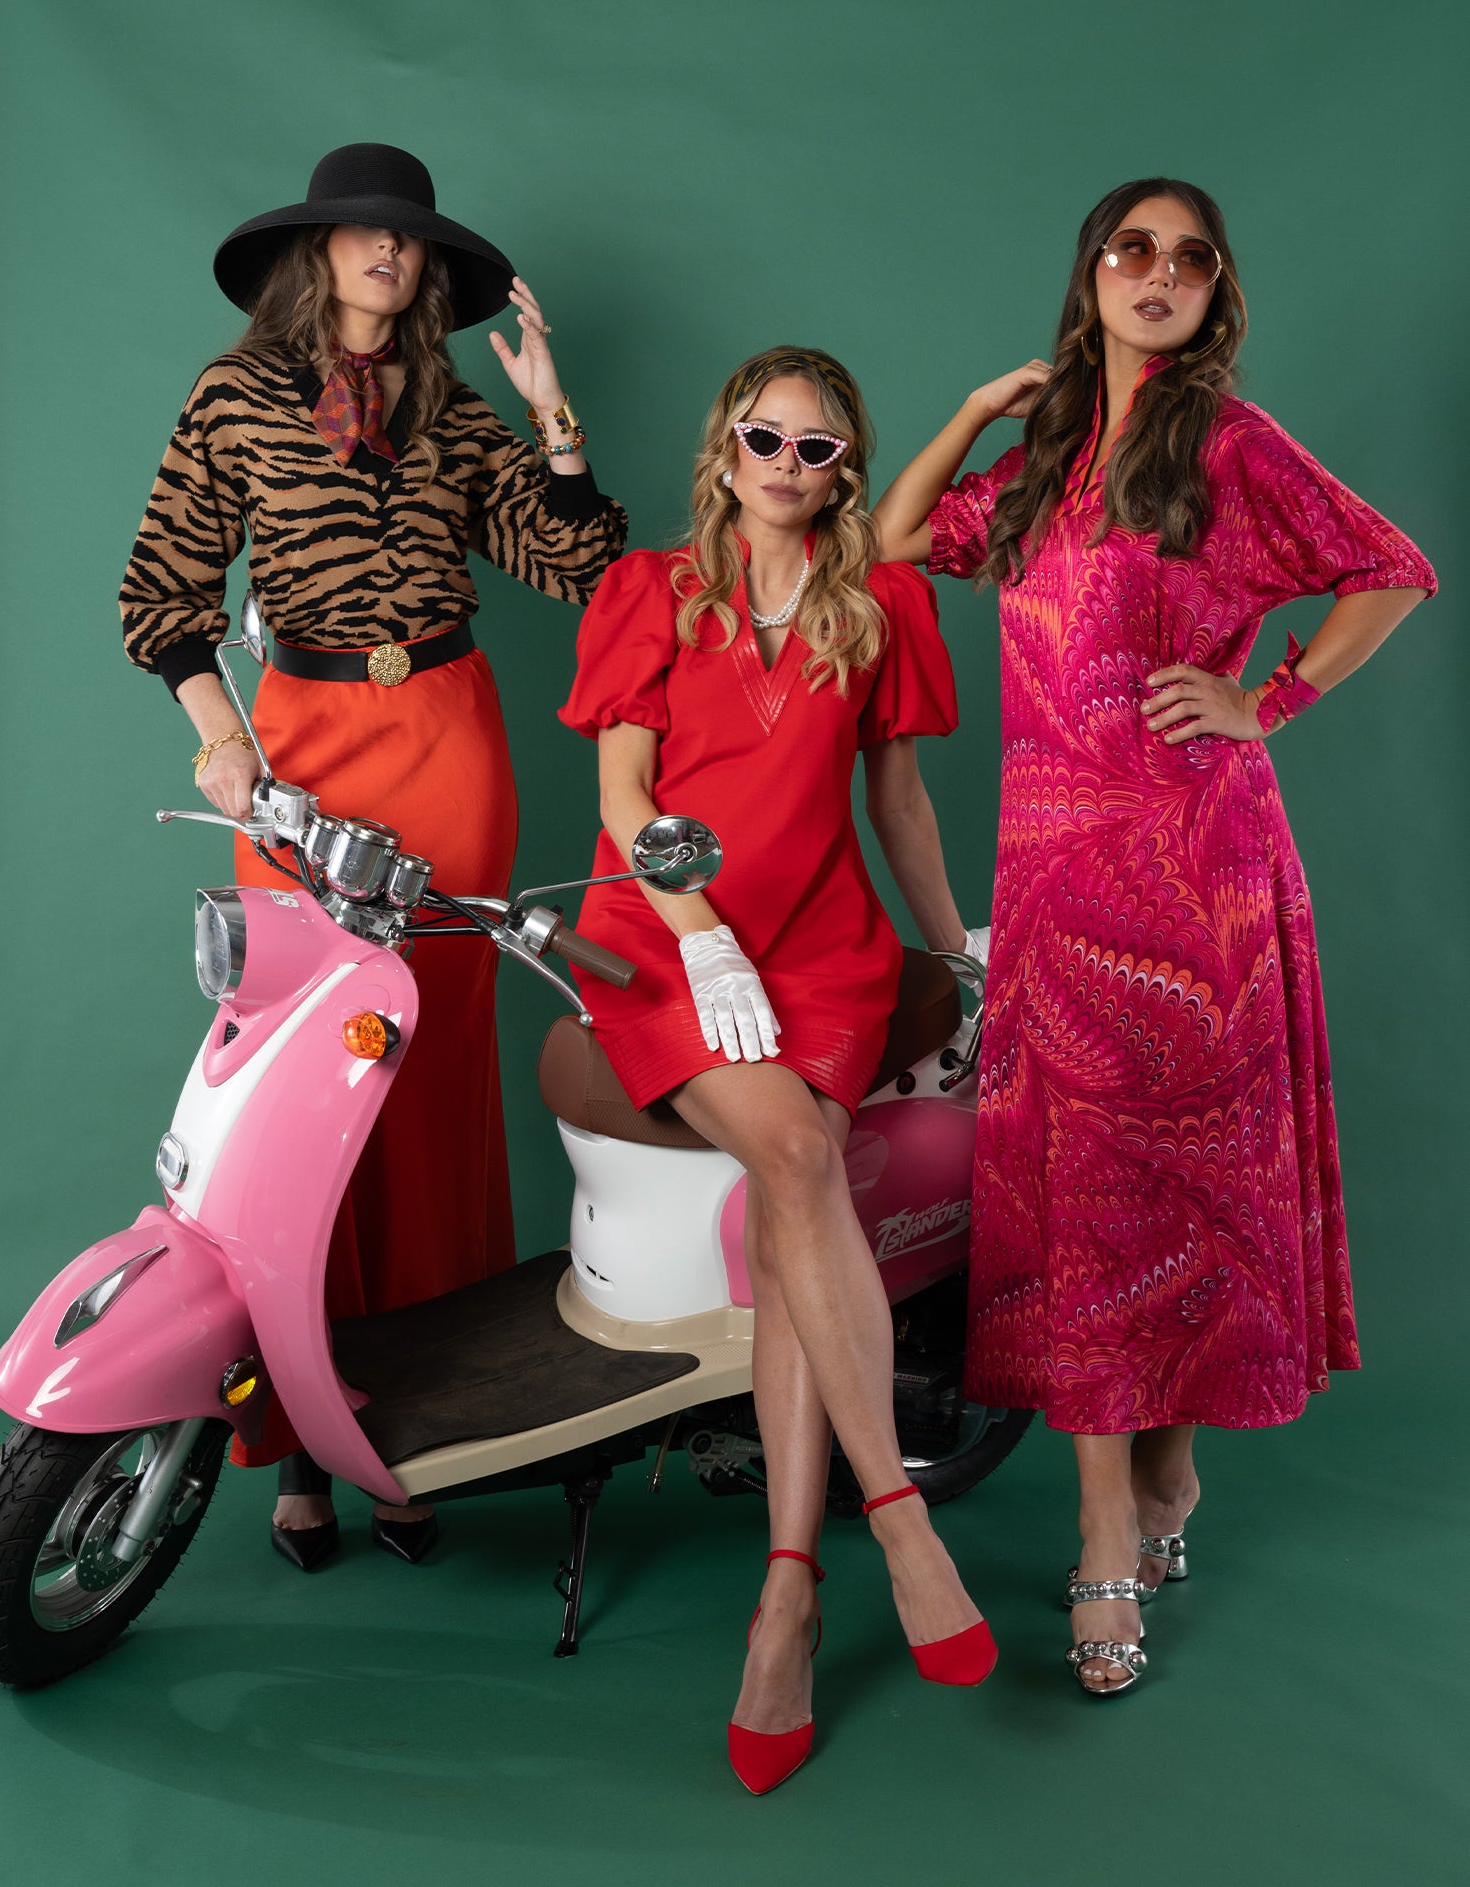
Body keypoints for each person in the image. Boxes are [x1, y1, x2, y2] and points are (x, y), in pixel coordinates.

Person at [874, 178, 1436, 1694]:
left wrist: (1271, 697)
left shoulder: (1231, 445)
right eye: (1134, 250)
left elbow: (1394, 569)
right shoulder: (1045, 460)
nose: (1161, 274)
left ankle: (1140, 1495)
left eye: (1192, 258)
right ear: (1093, 278)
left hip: (1200, 865)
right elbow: (900, 533)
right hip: (1054, 878)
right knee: (1087, 1204)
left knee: (1179, 1193)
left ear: (1214, 291)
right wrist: (979, 407)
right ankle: (1125, 1504)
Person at [119, 144, 627, 1569]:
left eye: (411, 240)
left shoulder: (452, 406)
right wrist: (222, 741)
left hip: (451, 739)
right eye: (364, 232)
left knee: (434, 1072)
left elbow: (579, 565)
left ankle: (421, 1427)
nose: (389, 254)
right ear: (319, 250)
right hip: (304, 744)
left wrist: (555, 418)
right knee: (308, 1081)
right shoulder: (234, 397)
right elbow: (163, 592)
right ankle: (298, 1437)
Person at [559, 346, 992, 1796]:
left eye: (818, 447)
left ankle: (788, 1593)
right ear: (725, 446)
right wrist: (701, 939)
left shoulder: (885, 606)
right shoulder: (650, 590)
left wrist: (959, 951)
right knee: (803, 1160)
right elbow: (624, 795)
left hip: (823, 950)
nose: (788, 466)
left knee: (798, 1215)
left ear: (846, 467)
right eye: (766, 437)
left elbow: (900, 803)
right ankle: (900, 1525)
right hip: (663, 937)